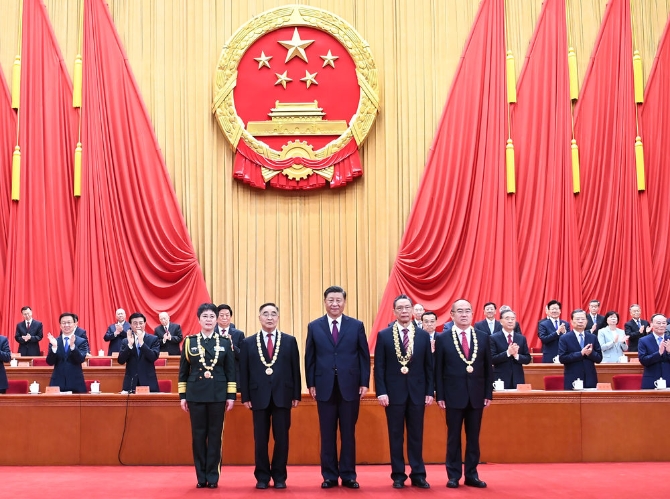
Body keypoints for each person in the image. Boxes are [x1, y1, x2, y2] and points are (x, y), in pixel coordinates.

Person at [305, 285, 370, 489]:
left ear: (344, 302)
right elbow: (310, 357)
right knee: (327, 433)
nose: (335, 304)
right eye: (331, 300)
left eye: (338, 300)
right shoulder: (314, 326)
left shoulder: (356, 325)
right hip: (324, 386)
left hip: (350, 386)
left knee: (348, 433)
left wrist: (364, 382)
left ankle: (349, 475)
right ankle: (330, 475)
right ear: (325, 302)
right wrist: (311, 383)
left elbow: (363, 356)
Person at [239, 303, 301, 490]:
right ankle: (262, 476)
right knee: (260, 439)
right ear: (259, 318)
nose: (269, 317)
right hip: (258, 396)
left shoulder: (289, 341)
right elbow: (244, 372)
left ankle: (280, 476)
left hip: (283, 395)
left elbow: (295, 370)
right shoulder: (248, 343)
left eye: (273, 314)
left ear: (278, 318)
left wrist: (296, 394)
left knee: (282, 439)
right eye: (265, 314)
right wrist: (245, 396)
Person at [374, 294, 433, 489]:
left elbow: (428, 367)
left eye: (407, 307)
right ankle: (398, 475)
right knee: (395, 436)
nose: (404, 311)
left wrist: (429, 391)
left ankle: (418, 474)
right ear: (394, 312)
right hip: (393, 395)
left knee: (416, 435)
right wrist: (381, 392)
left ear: (413, 310)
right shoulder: (384, 335)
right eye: (400, 308)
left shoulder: (422, 336)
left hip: (417, 393)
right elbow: (379, 367)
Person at [435, 299, 492, 489]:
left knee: (473, 438)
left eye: (467, 310)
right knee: (453, 437)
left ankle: (472, 475)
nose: (464, 314)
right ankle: (453, 475)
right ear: (452, 315)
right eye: (460, 311)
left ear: (473, 314)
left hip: (476, 395)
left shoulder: (483, 337)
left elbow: (488, 368)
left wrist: (488, 393)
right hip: (452, 395)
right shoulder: (443, 338)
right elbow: (438, 369)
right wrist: (440, 395)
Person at [179, 303, 236, 489]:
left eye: (212, 316)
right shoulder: (190, 341)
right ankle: (201, 476)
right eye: (205, 316)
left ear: (217, 319)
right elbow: (183, 371)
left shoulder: (225, 342)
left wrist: (231, 395)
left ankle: (213, 476)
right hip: (195, 394)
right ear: (199, 319)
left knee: (215, 436)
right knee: (198, 436)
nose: (209, 320)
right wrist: (182, 396)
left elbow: (230, 371)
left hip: (218, 394)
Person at [558, 309, 602, 390]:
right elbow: (562, 358)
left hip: (590, 378)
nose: (580, 321)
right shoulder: (564, 338)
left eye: (583, 319)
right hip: (573, 378)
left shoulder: (592, 337)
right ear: (572, 321)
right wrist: (580, 353)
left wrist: (591, 353)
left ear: (586, 321)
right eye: (577, 319)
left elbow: (599, 358)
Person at [117, 312, 161, 392]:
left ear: (145, 324)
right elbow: (121, 360)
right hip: (131, 382)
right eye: (135, 323)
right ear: (130, 325)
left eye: (141, 323)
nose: (138, 326)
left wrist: (142, 344)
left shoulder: (153, 339)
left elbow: (153, 357)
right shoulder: (126, 341)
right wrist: (129, 345)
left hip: (148, 381)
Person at [46, 313, 88, 393]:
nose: (66, 325)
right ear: (60, 325)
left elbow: (80, 359)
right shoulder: (54, 341)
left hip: (76, 383)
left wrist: (73, 347)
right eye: (63, 323)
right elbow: (50, 362)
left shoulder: (81, 341)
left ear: (75, 324)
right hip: (57, 382)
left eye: (69, 322)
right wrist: (54, 347)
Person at [490, 309, 531, 388]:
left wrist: (516, 356)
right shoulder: (493, 338)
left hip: (518, 378)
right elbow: (492, 359)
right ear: (501, 321)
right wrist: (508, 353)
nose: (510, 321)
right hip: (500, 379)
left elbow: (527, 359)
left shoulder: (521, 338)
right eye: (507, 318)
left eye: (513, 319)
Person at [216, 304, 245, 391]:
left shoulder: (239, 334)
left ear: (231, 317)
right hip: (216, 374)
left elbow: (242, 356)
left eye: (227, 315)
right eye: (221, 315)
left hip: (234, 375)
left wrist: (231, 345)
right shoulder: (211, 333)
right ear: (216, 317)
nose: (224, 318)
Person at [638, 313, 670, 389]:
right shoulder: (644, 340)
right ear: (652, 324)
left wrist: (669, 352)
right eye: (658, 323)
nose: (661, 325)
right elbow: (643, 361)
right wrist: (658, 353)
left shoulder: (669, 340)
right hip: (651, 381)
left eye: (664, 323)